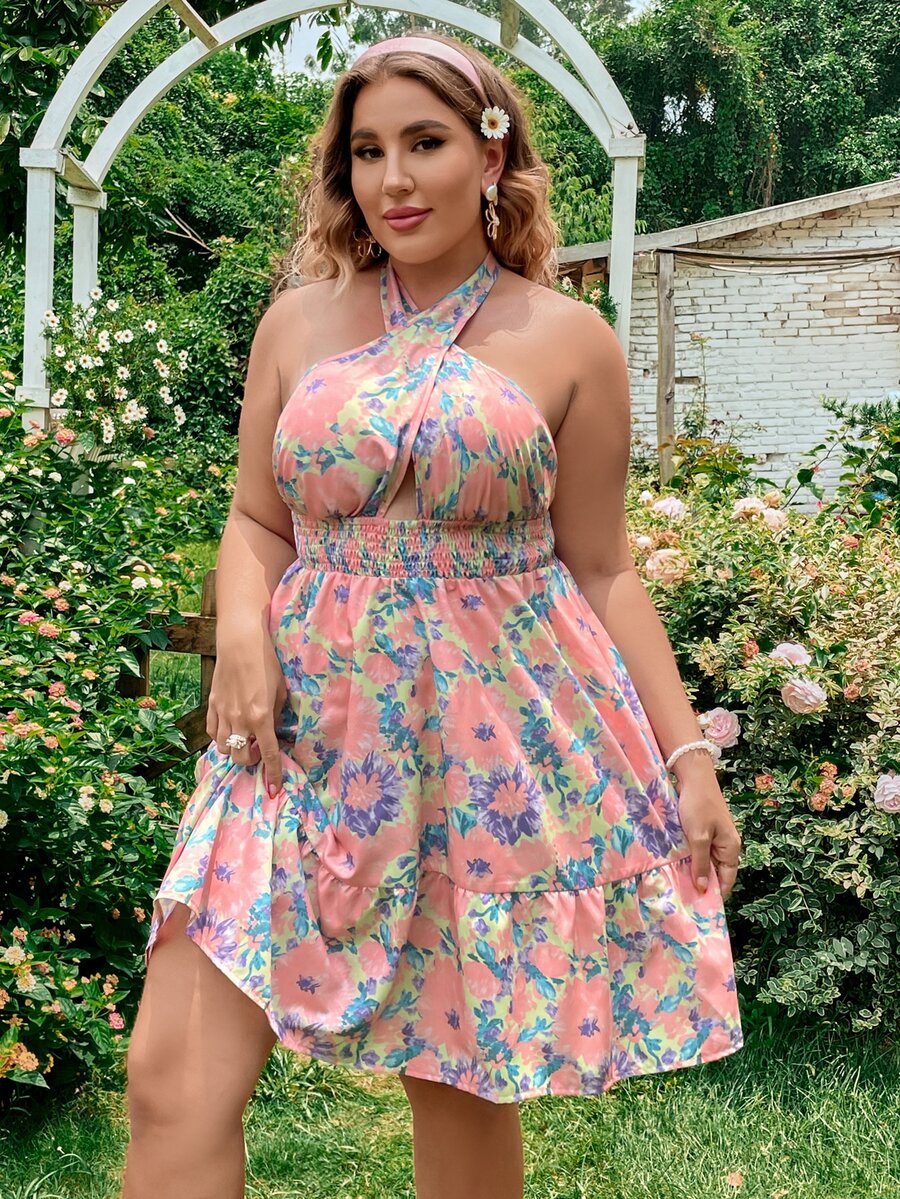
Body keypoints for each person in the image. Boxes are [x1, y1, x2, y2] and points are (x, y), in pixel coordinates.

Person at [119, 29, 744, 1199]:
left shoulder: (569, 339)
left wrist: (688, 754)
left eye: (425, 143)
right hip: (300, 736)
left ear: (491, 155)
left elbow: (602, 567)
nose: (393, 179)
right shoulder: (298, 322)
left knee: (459, 1081)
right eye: (368, 151)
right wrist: (241, 629)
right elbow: (256, 518)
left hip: (484, 750)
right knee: (171, 1075)